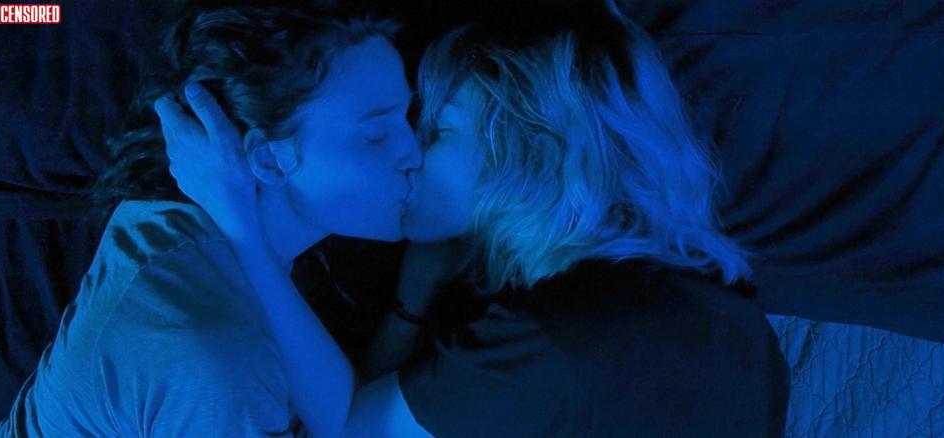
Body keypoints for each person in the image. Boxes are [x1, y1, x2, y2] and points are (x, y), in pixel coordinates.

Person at [161, 1, 791, 436]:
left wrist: (241, 227)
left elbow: (353, 428)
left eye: (438, 128)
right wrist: (419, 286)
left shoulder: (553, 341)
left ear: (525, 150)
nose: (413, 152)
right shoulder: (731, 311)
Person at [0, 3, 422, 436]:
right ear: (268, 160)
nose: (414, 154)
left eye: (408, 117)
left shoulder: (167, 227)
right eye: (376, 135)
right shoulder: (216, 357)